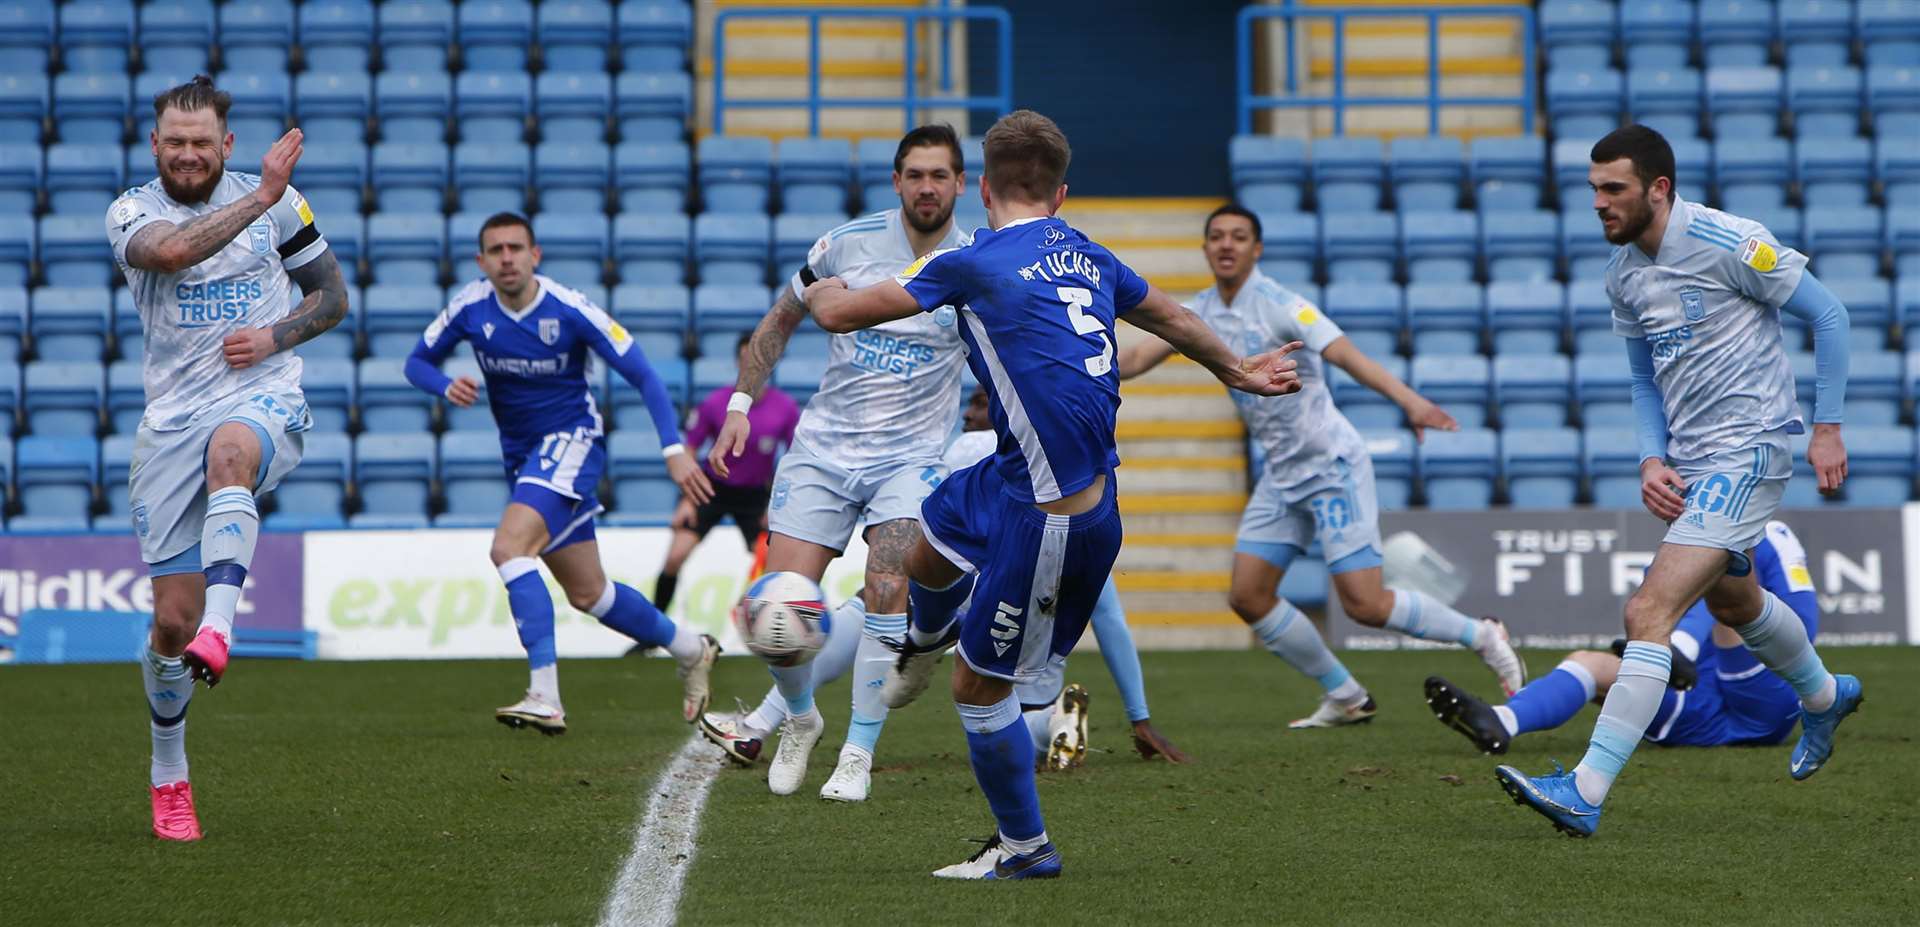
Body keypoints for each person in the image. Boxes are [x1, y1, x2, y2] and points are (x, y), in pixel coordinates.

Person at [804, 109, 1301, 880]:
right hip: (1010, 477)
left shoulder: (972, 261)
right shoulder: (1091, 256)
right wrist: (1236, 370)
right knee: (924, 542)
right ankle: (928, 639)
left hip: (1055, 521)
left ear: (985, 190)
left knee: (980, 690)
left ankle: (1026, 848)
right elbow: (1172, 313)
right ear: (1061, 194)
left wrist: (813, 277)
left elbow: (835, 312)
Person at [1494, 125, 1863, 838]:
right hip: (1692, 468)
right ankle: (1822, 696)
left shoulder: (1731, 242)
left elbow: (1829, 313)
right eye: (1593, 189)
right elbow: (1642, 379)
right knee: (1737, 604)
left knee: (1647, 613)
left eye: (1614, 190)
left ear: (1658, 189)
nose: (1598, 203)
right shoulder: (1623, 273)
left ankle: (1585, 787)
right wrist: (1650, 457)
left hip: (1750, 450)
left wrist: (1828, 425)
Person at [1116, 205, 1526, 728]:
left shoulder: (1283, 306)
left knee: (1365, 605)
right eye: (1216, 236)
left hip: (1330, 465)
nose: (1226, 245)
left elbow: (1347, 356)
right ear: (1204, 249)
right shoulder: (1196, 314)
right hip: (1282, 473)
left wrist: (1410, 402)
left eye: (1239, 237)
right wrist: (1077, 363)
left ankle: (1483, 635)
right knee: (1248, 595)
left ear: (1256, 249)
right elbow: (1133, 360)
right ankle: (1347, 695)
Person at [694, 125, 974, 803]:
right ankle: (800, 719)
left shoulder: (977, 259)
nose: (927, 187)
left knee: (887, 587)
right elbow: (778, 321)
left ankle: (858, 752)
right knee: (772, 608)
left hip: (911, 458)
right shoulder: (846, 242)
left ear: (961, 184)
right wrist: (739, 404)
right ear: (897, 181)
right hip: (824, 449)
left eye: (940, 175)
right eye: (915, 174)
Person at [107, 76, 350, 841]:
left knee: (233, 452)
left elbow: (332, 297)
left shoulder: (281, 201)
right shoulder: (130, 211)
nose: (186, 154)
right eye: (174, 142)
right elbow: (174, 251)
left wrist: (274, 339)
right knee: (169, 625)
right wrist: (258, 197)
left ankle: (224, 628)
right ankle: (169, 771)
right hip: (169, 423)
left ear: (226, 144)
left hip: (261, 396)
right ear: (155, 144)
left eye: (201, 143)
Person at [403, 212, 719, 735]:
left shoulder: (568, 308)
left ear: (535, 255)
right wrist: (443, 386)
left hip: (571, 442)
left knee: (508, 549)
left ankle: (545, 694)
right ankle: (691, 648)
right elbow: (416, 362)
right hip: (524, 458)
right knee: (590, 594)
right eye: (496, 250)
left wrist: (673, 448)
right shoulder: (469, 306)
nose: (507, 258)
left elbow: (641, 372)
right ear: (481, 262)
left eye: (516, 248)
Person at [947, 387, 1188, 767]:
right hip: (1046, 645)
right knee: (1019, 724)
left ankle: (1051, 721)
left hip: (994, 622)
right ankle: (1052, 719)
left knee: (988, 724)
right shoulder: (1063, 473)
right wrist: (1138, 715)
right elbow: (1108, 616)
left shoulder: (969, 452)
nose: (967, 414)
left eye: (980, 404)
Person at [1429, 521, 1817, 756]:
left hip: (1766, 693)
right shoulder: (1678, 544)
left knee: (1725, 575)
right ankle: (1503, 720)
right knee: (1587, 662)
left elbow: (1803, 623)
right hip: (1698, 708)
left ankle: (1677, 650)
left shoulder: (1771, 535)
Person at [651, 333, 800, 614]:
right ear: (736, 363)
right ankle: (651, 632)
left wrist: (777, 503)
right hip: (711, 488)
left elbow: (795, 456)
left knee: (772, 564)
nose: (751, 366)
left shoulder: (785, 408)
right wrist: (687, 498)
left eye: (757, 359)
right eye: (745, 360)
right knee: (675, 555)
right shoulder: (716, 403)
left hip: (755, 494)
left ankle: (750, 619)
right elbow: (689, 450)